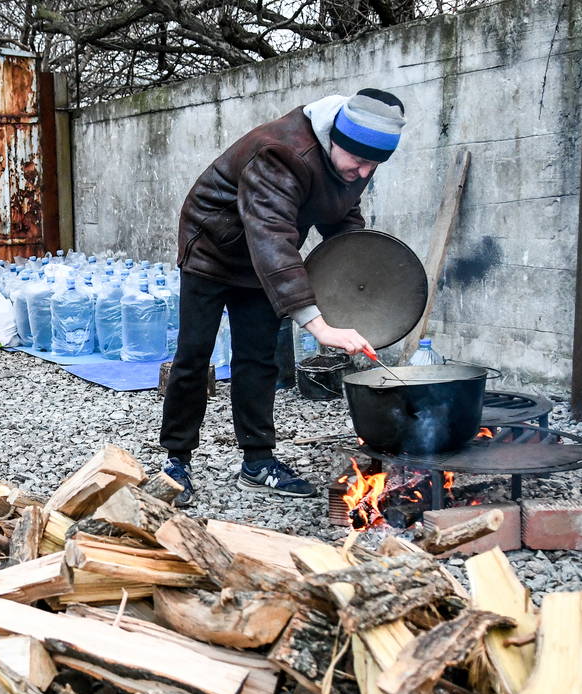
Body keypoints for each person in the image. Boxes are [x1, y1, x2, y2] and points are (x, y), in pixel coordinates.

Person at [160, 89, 405, 506]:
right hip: (212, 249)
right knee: (194, 356)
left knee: (258, 358)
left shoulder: (353, 161)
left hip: (264, 262)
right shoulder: (279, 152)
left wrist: (364, 282)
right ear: (334, 141)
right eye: (359, 162)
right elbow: (271, 236)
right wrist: (317, 323)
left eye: (373, 166)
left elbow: (342, 218)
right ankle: (176, 460)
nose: (364, 173)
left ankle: (257, 462)